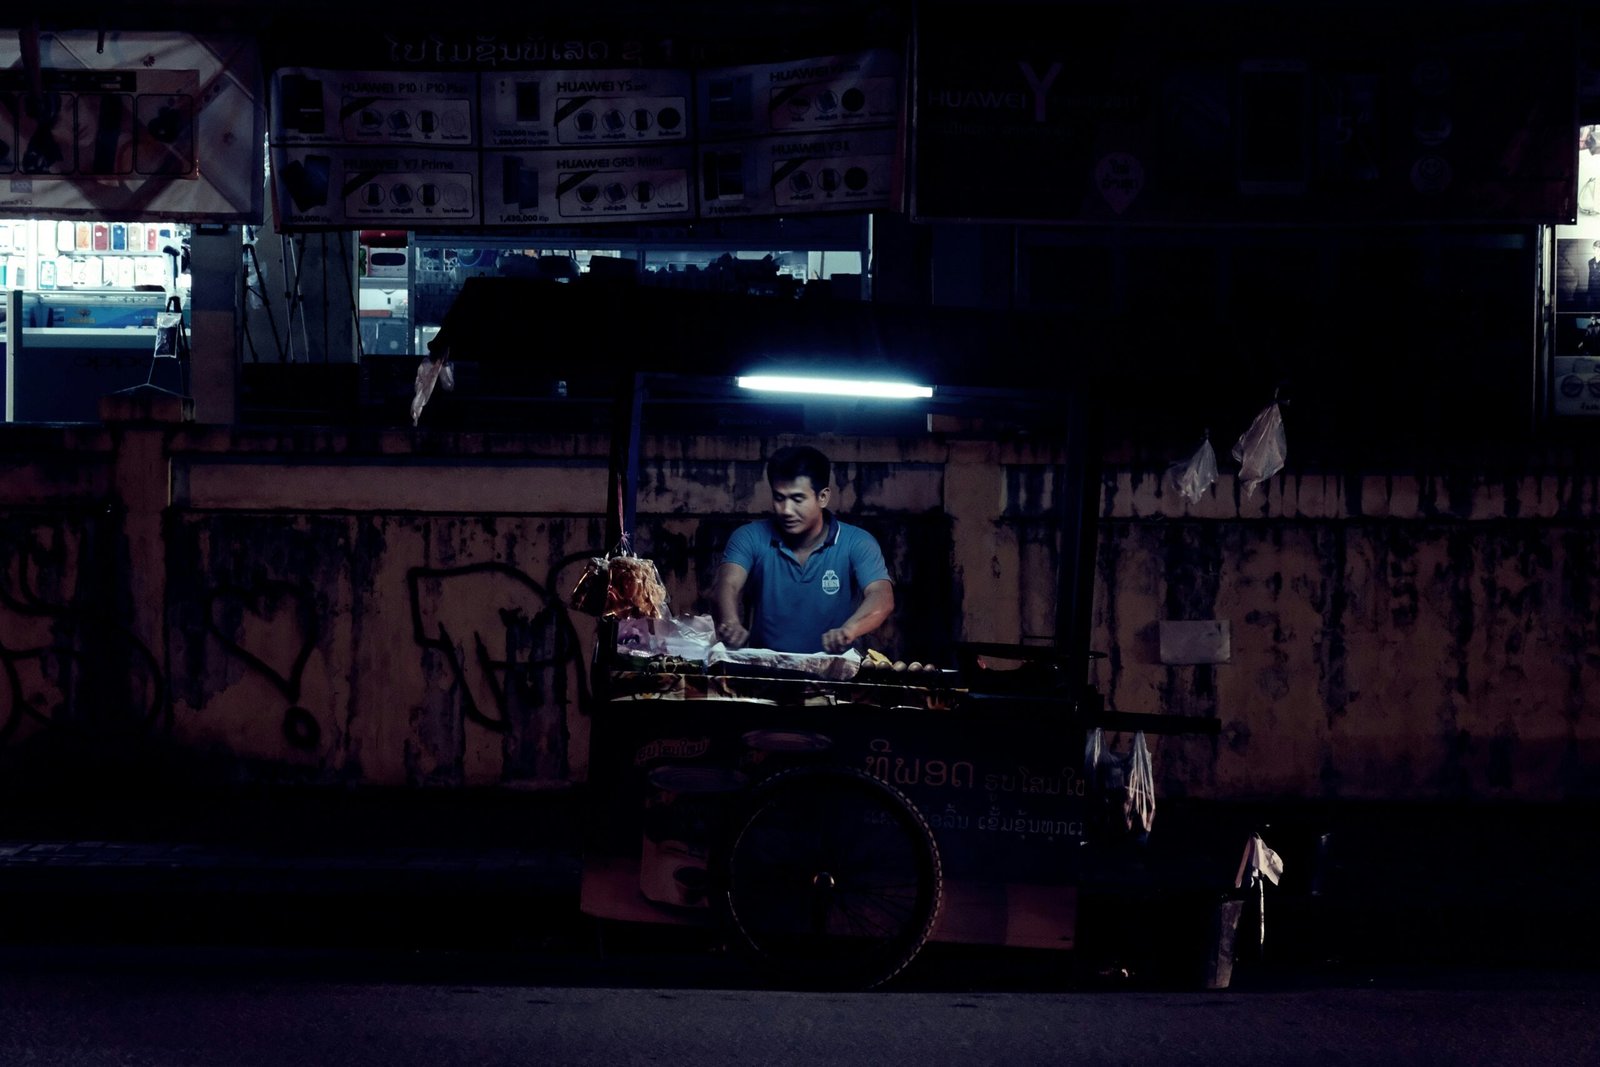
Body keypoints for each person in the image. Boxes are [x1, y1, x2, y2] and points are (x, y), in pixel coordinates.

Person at [712, 445, 894, 654]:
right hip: (767, 673)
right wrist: (731, 622)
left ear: (823, 497)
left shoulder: (857, 542)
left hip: (835, 673)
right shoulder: (750, 536)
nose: (786, 510)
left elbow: (881, 595)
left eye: (797, 499)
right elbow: (727, 584)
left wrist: (849, 630)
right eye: (779, 498)